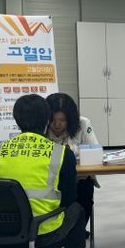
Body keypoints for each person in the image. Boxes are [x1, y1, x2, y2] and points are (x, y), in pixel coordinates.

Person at [0, 94, 93, 248]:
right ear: (46, 121)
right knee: (77, 209)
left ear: (17, 120)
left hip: (5, 233)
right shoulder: (61, 154)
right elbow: (68, 200)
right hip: (44, 236)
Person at [46, 93, 99, 230]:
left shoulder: (83, 123)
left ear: (71, 119)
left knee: (84, 196)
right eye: (52, 120)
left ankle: (77, 231)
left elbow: (95, 150)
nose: (57, 124)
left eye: (62, 120)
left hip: (78, 179)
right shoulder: (41, 125)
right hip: (47, 179)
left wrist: (70, 151)